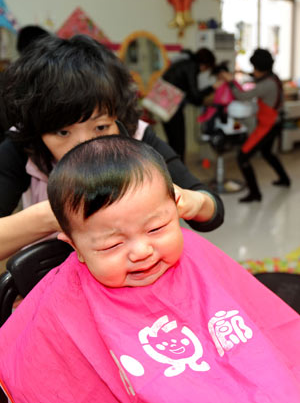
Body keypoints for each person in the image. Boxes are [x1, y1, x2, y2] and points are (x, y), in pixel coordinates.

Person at [0, 135, 299, 402]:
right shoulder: (64, 299)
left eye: (157, 228)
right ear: (74, 246)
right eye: (111, 245)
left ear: (176, 208)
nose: (142, 252)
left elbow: (263, 334)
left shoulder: (194, 252)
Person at [0, 34, 224, 261]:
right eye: (62, 132)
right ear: (37, 129)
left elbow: (213, 210)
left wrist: (191, 201)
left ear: (116, 114)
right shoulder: (23, 146)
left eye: (101, 127)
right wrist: (52, 215)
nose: (85, 147)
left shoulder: (136, 135)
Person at [221, 48, 291, 203]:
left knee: (243, 156)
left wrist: (230, 81)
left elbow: (242, 96)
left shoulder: (266, 84)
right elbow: (256, 78)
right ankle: (285, 179)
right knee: (267, 153)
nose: (253, 71)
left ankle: (255, 193)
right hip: (276, 122)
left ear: (260, 68)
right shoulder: (274, 77)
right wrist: (241, 73)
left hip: (269, 125)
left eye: (254, 68)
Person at [162, 47, 220, 162]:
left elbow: (190, 93)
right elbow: (195, 96)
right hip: (172, 108)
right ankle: (178, 174)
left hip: (165, 106)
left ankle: (174, 172)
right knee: (178, 143)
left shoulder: (184, 62)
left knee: (173, 142)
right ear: (205, 64)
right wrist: (212, 87)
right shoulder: (191, 67)